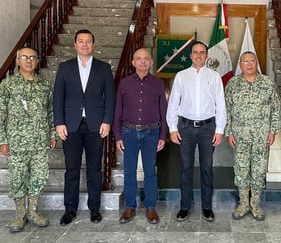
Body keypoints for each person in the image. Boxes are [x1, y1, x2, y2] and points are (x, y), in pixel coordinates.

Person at [53, 29, 115, 225]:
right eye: (81, 41)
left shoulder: (104, 68)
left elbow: (110, 98)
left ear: (94, 45)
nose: (85, 44)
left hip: (96, 126)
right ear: (75, 45)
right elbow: (58, 98)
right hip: (70, 126)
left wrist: (107, 121)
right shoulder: (65, 67)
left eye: (88, 41)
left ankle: (94, 209)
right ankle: (69, 210)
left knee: (94, 169)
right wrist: (59, 123)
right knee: (72, 169)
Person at [166, 41, 226, 222]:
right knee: (185, 168)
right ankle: (185, 206)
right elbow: (173, 103)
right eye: (195, 53)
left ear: (206, 56)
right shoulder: (181, 76)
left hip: (208, 128)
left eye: (202, 53)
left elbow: (220, 104)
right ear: (190, 56)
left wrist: (220, 129)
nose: (198, 55)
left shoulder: (214, 76)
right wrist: (172, 128)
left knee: (207, 168)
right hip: (186, 128)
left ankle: (207, 207)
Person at [0, 47, 57, 233]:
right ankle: (19, 214)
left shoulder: (45, 85)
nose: (29, 60)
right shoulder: (7, 85)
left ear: (37, 61)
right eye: (24, 57)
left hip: (40, 141)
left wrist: (52, 134)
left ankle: (33, 211)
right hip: (17, 141)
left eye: (32, 57)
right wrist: (3, 139)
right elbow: (1, 114)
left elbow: (50, 112)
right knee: (18, 178)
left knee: (39, 177)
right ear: (17, 61)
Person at [225, 51, 281, 221]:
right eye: (245, 61)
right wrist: (229, 132)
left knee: (258, 171)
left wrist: (272, 131)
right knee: (241, 170)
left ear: (256, 63)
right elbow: (226, 110)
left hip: (261, 137)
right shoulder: (233, 84)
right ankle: (243, 204)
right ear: (240, 65)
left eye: (252, 61)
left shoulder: (267, 83)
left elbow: (276, 109)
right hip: (240, 136)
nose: (249, 64)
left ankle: (255, 205)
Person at [113, 48, 167, 224]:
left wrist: (162, 135)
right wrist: (118, 136)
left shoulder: (158, 83)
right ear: (133, 62)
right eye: (138, 58)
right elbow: (118, 111)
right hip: (128, 133)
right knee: (129, 171)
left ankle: (151, 208)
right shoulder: (124, 83)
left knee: (150, 172)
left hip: (151, 133)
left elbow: (163, 111)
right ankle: (130, 207)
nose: (142, 61)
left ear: (151, 62)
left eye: (146, 59)